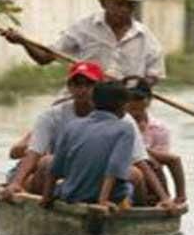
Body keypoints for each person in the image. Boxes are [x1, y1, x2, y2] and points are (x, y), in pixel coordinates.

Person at [2, 61, 171, 207]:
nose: (82, 90)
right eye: (77, 84)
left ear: (98, 89)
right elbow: (35, 154)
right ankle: (47, 200)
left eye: (89, 85)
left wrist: (164, 197)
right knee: (46, 162)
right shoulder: (53, 116)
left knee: (136, 174)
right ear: (69, 87)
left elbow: (139, 163)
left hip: (99, 177)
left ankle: (137, 211)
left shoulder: (124, 121)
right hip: (69, 176)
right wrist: (18, 183)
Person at [2, 0, 165, 83]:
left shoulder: (145, 38)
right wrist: (23, 42)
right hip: (83, 103)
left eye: (129, 5)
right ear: (103, 3)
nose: (124, 10)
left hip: (123, 107)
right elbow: (45, 58)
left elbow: (154, 75)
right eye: (118, 4)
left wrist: (137, 86)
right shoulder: (83, 29)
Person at [41, 81, 148, 212]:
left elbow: (56, 166)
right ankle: (142, 208)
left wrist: (46, 197)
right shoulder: (125, 128)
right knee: (130, 186)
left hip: (70, 195)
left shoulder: (73, 126)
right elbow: (114, 167)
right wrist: (102, 201)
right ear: (124, 106)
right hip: (107, 197)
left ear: (92, 102)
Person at [123, 76, 187, 205]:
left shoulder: (159, 129)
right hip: (121, 169)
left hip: (148, 174)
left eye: (138, 98)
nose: (133, 102)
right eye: (128, 98)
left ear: (148, 100)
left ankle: (176, 198)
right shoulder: (115, 121)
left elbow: (156, 163)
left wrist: (142, 149)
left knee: (160, 162)